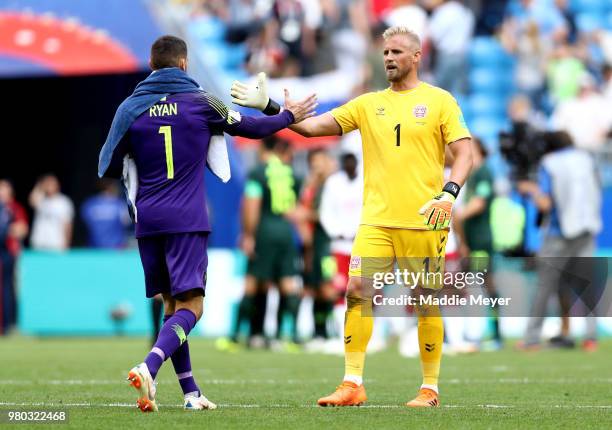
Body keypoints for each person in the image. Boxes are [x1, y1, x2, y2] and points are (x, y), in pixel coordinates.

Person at [231, 25, 473, 407]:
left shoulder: (441, 101)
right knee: (357, 292)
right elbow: (310, 128)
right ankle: (352, 383)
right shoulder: (367, 103)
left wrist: (450, 192)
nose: (389, 58)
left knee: (425, 298)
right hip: (376, 220)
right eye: (385, 52)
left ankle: (430, 388)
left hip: (425, 219)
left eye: (396, 52)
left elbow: (465, 153)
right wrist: (272, 108)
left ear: (416, 57)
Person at [99, 35, 316, 412]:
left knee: (172, 306)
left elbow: (107, 164)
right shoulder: (202, 101)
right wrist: (288, 116)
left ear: (152, 66)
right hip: (186, 218)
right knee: (193, 307)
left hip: (148, 220)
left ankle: (191, 393)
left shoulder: (128, 108)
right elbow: (250, 128)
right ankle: (149, 365)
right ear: (184, 64)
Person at [517, 131, 602, 351]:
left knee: (544, 286)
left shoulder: (550, 163)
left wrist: (530, 190)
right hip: (587, 228)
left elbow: (545, 204)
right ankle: (591, 337)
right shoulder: (587, 159)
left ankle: (531, 338)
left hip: (559, 232)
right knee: (586, 286)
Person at [453, 138, 502, 349]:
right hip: (467, 241)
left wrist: (459, 215)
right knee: (460, 286)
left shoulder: (484, 172)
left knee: (483, 285)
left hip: (480, 240)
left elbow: (479, 203)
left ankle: (493, 333)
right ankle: (463, 333)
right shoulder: (471, 173)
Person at [0, 180, 28, 334]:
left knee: (9, 289)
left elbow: (21, 229)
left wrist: (7, 230)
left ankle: (9, 324)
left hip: (9, 253)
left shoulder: (14, 208)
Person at [81, 179, 131, 248]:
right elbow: (127, 223)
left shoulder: (89, 203)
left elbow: (85, 223)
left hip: (94, 248)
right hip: (116, 249)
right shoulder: (119, 204)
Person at [29, 174, 74, 251]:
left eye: (51, 184)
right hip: (39, 243)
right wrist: (40, 185)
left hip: (56, 244)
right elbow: (32, 201)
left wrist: (67, 242)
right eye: (47, 184)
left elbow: (68, 224)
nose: (49, 186)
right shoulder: (41, 199)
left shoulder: (63, 202)